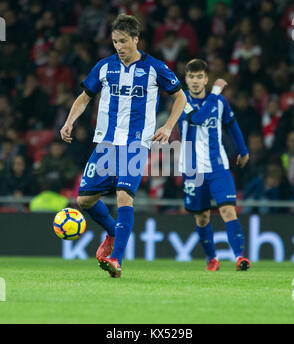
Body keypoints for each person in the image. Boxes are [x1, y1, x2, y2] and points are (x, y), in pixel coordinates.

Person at [60, 14, 186, 278]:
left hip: (136, 144)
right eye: (115, 41)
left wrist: (167, 127)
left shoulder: (155, 68)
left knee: (123, 197)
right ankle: (113, 234)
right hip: (106, 143)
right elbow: (84, 98)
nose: (119, 46)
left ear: (136, 40)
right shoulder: (104, 67)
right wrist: (70, 120)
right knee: (84, 199)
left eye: (123, 41)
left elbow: (180, 97)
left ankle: (116, 259)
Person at [177, 59, 251, 272]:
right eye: (191, 77)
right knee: (202, 217)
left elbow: (231, 124)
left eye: (200, 77)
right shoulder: (181, 101)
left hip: (218, 167)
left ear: (206, 79)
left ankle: (240, 258)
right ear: (186, 79)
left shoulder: (219, 103)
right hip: (193, 170)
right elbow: (199, 118)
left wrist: (243, 150)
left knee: (228, 210)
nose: (195, 81)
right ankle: (212, 259)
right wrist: (216, 91)